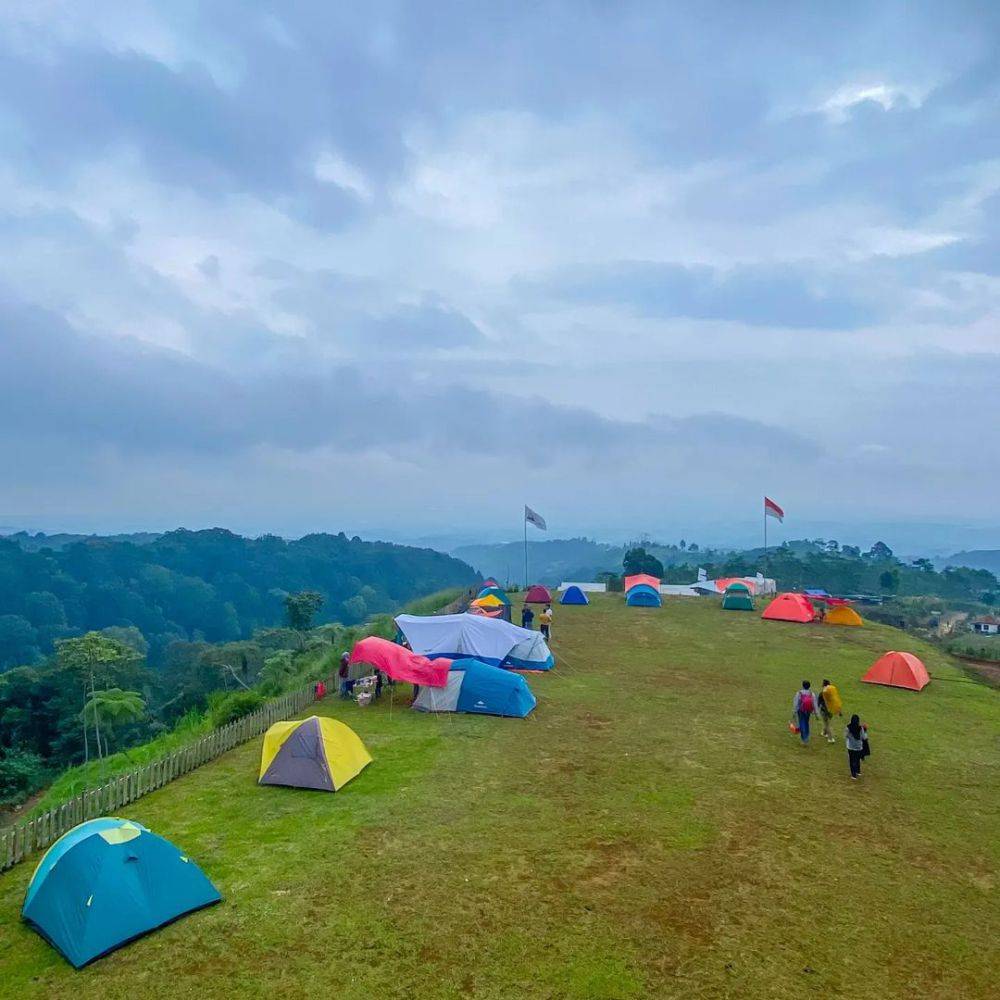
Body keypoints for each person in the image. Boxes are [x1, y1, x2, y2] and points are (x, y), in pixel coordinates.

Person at [791, 680, 820, 745]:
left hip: (801, 711)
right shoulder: (811, 694)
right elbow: (814, 704)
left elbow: (796, 703)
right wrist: (817, 714)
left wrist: (794, 711)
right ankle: (806, 736)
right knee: (806, 723)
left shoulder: (799, 693)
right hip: (808, 711)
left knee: (802, 723)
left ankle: (804, 738)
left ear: (803, 685)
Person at [819, 678, 843, 743]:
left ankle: (830, 738)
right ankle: (824, 732)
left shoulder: (822, 693)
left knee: (827, 724)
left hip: (824, 710)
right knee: (827, 722)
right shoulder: (833, 691)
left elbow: (819, 702)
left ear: (823, 684)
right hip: (831, 710)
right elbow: (836, 700)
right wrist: (839, 711)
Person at [845, 714, 869, 780]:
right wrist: (865, 730)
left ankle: (853, 774)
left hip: (851, 747)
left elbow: (846, 735)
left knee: (852, 760)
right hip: (858, 747)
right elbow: (863, 737)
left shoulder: (848, 727)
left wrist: (851, 738)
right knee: (857, 759)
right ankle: (858, 771)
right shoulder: (860, 728)